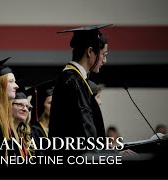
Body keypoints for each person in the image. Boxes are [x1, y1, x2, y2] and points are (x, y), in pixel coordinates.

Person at [49, 25, 111, 155]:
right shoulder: (73, 80)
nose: (105, 61)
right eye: (103, 55)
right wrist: (112, 156)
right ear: (89, 52)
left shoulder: (74, 78)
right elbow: (85, 133)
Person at [11, 81, 34, 157]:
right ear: (9, 106)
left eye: (27, 106)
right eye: (20, 105)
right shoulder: (4, 133)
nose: (25, 109)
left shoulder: (23, 135)